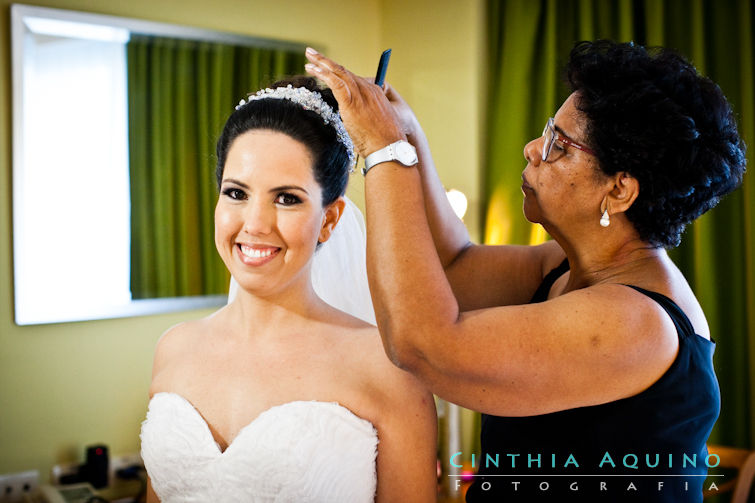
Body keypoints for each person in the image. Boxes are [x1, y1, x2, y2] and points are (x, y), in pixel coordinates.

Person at [304, 40, 746, 502]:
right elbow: (456, 265)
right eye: (546, 131)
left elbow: (421, 345)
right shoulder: (564, 266)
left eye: (560, 145)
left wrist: (384, 150)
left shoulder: (636, 323)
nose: (532, 148)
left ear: (619, 191)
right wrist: (407, 132)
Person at [139, 76, 437, 502]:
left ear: (330, 220)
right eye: (237, 192)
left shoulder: (388, 369)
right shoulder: (173, 348)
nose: (255, 224)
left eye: (287, 199)